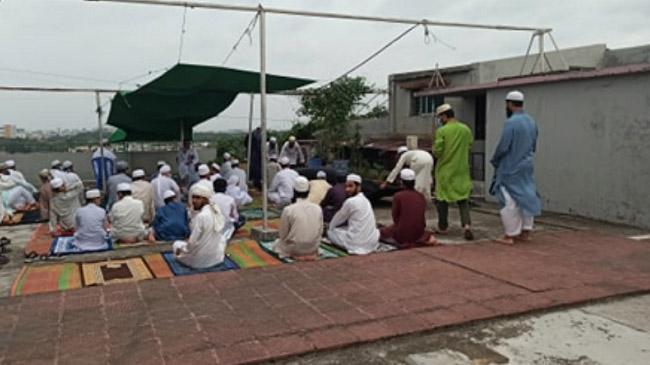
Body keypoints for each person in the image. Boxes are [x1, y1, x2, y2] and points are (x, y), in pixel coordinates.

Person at [490, 90, 542, 245]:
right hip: (526, 165)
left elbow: (504, 146)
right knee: (527, 195)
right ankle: (526, 230)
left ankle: (510, 234)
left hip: (510, 166)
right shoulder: (531, 121)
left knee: (508, 199)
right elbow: (534, 145)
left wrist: (495, 158)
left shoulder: (511, 123)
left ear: (509, 104)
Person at [433, 103, 475, 240]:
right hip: (462, 169)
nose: (440, 120)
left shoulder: (442, 131)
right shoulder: (466, 129)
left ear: (444, 116)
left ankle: (443, 226)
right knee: (463, 199)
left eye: (440, 117)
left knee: (442, 199)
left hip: (446, 170)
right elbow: (469, 146)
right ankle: (467, 225)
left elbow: (438, 151)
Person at [173, 184, 227, 269]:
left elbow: (191, 243)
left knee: (176, 244)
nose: (194, 201)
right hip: (216, 259)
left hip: (199, 262)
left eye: (198, 198)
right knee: (222, 239)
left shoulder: (201, 216)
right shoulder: (216, 211)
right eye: (193, 197)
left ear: (206, 199)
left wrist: (182, 249)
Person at [380, 169, 436, 248]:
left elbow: (395, 217)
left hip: (402, 233)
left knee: (382, 232)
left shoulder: (398, 196)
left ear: (402, 182)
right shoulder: (420, 196)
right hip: (418, 233)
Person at [273, 176, 323, 260]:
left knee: (276, 244)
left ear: (294, 191)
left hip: (294, 248)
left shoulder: (288, 209)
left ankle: (296, 254)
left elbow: (283, 234)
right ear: (308, 191)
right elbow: (320, 231)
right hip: (313, 247)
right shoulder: (318, 208)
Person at [327, 174, 379, 255]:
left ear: (358, 187)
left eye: (351, 186)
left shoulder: (350, 202)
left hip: (356, 244)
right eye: (346, 186)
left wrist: (330, 229)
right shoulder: (366, 200)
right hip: (372, 242)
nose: (347, 189)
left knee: (332, 233)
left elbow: (338, 218)